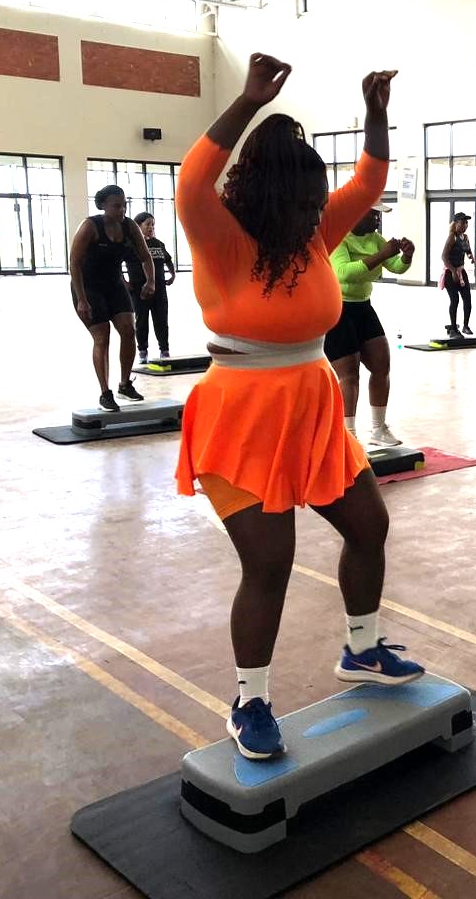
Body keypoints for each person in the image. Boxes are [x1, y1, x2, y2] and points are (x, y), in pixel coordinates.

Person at [174, 54, 422, 761]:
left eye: (321, 200)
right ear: (273, 196)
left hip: (312, 413)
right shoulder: (220, 239)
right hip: (240, 416)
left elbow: (368, 181)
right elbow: (193, 177)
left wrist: (375, 115)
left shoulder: (314, 236)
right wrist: (247, 101)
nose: (321, 210)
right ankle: (250, 699)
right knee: (270, 564)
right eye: (308, 199)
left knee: (369, 524)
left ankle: (364, 650)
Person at [324, 201, 414, 446]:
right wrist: (383, 254)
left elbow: (395, 267)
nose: (376, 220)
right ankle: (348, 434)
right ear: (356, 213)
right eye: (372, 214)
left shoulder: (374, 239)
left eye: (378, 216)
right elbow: (343, 272)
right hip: (338, 308)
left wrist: (406, 256)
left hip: (363, 306)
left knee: (381, 364)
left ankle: (378, 429)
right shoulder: (338, 239)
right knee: (349, 374)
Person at [69, 185, 155, 412]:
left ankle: (125, 385)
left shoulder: (130, 227)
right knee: (102, 337)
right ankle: (105, 393)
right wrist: (81, 299)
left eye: (124, 205)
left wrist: (151, 281)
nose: (122, 210)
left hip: (115, 285)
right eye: (117, 206)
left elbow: (146, 257)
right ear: (103, 206)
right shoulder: (90, 226)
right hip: (88, 288)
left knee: (129, 330)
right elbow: (75, 264)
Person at [128, 212, 177, 364]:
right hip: (139, 291)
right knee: (141, 321)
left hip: (160, 291)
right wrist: (125, 282)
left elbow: (168, 260)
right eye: (147, 224)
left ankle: (164, 350)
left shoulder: (158, 244)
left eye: (153, 225)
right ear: (138, 226)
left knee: (161, 321)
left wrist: (172, 274)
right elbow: (116, 264)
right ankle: (142, 351)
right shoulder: (131, 245)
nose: (151, 227)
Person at [440, 213, 473, 337]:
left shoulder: (465, 237)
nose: (465, 225)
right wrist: (453, 271)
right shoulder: (452, 237)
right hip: (450, 272)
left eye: (466, 223)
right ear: (456, 224)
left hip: (461, 271)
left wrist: (471, 257)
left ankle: (465, 326)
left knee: (468, 300)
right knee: (455, 300)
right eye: (463, 222)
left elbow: (468, 250)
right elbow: (443, 256)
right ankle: (453, 329)